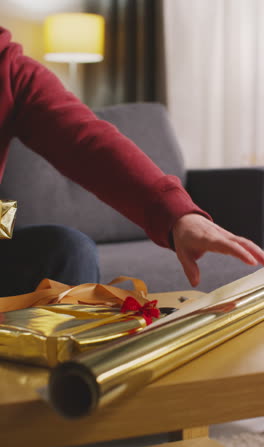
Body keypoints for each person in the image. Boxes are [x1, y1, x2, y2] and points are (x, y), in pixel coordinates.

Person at [0, 25, 263, 296]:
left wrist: (179, 216)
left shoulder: (10, 71)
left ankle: (73, 339)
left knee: (68, 250)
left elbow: (90, 144)